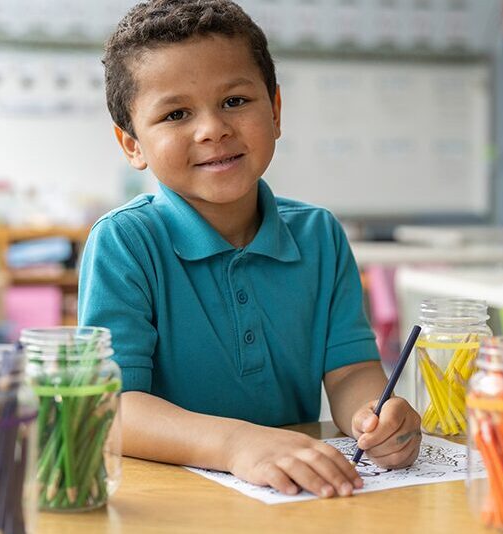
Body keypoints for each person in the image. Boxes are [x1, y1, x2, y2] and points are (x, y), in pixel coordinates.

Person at [79, 0, 421, 498]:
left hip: (293, 496)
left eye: (235, 101)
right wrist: (238, 444)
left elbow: (351, 371)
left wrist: (374, 415)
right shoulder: (125, 243)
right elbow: (113, 407)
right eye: (176, 113)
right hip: (165, 502)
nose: (212, 129)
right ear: (132, 144)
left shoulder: (320, 235)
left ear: (276, 111)